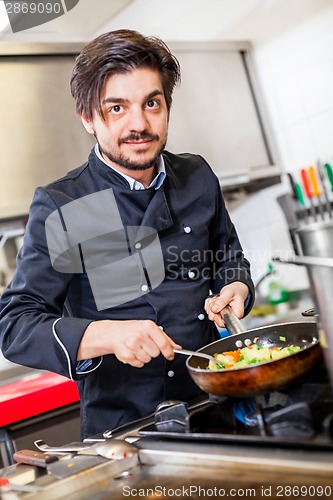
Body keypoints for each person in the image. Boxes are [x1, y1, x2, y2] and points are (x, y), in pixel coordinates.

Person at [0, 29, 255, 439]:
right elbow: (14, 325)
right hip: (128, 433)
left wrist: (236, 287)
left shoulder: (196, 176)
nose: (139, 124)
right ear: (88, 119)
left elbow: (227, 256)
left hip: (217, 410)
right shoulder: (66, 205)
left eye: (151, 103)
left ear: (167, 106)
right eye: (116, 108)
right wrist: (103, 335)